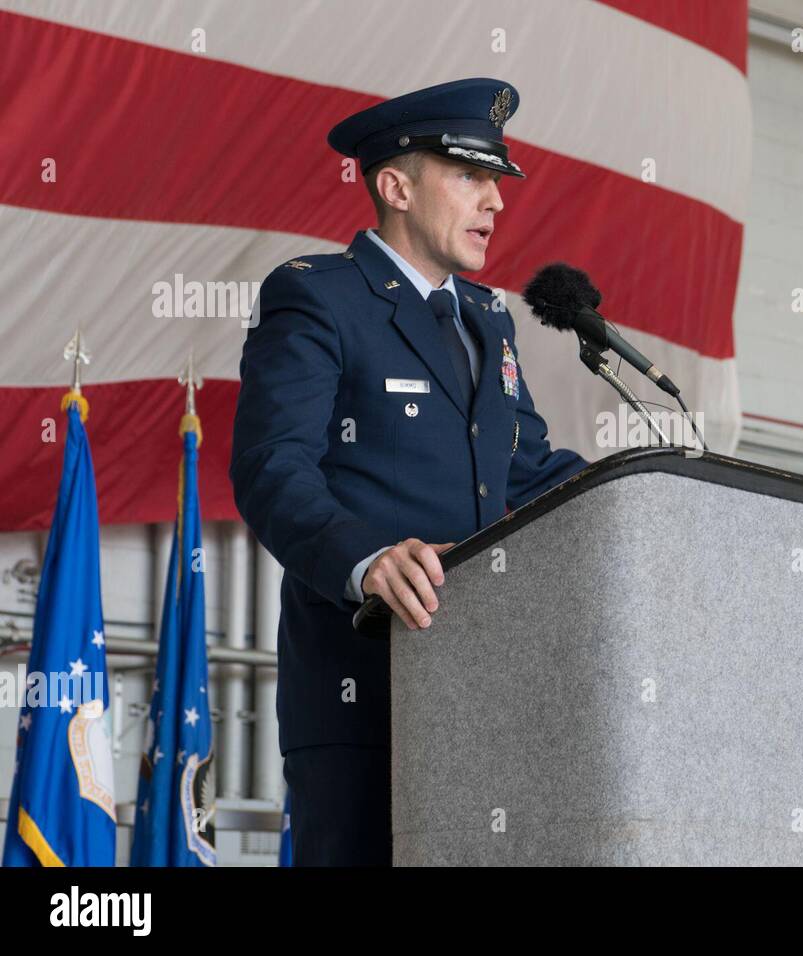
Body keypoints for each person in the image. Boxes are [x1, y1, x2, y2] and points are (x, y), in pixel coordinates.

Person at [230, 77, 588, 865]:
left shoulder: (488, 319)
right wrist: (364, 559)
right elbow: (270, 466)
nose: (495, 201)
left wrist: (652, 494)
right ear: (394, 185)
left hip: (488, 691)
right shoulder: (319, 296)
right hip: (364, 687)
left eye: (497, 181)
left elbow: (528, 474)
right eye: (470, 176)